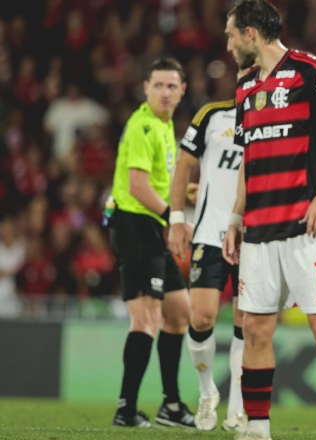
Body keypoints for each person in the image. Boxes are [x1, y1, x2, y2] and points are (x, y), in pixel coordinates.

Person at [220, 1, 316, 439]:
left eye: (230, 35)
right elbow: (248, 157)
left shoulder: (310, 71)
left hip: (308, 229)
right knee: (256, 329)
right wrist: (236, 217)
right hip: (259, 232)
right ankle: (258, 428)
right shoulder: (244, 85)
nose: (227, 45)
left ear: (250, 33)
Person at [108, 57, 196, 428]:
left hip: (151, 226)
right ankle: (126, 410)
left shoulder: (165, 124)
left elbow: (157, 182)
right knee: (145, 319)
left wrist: (184, 192)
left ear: (182, 91)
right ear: (145, 88)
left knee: (178, 313)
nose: (164, 92)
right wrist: (174, 218)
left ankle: (171, 405)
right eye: (157, 85)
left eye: (171, 86)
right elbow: (137, 187)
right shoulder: (144, 125)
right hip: (134, 226)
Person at [168, 68, 255, 432]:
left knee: (245, 323)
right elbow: (185, 164)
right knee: (201, 317)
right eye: (244, 73)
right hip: (208, 233)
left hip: (254, 236)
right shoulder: (211, 115)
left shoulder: (277, 119)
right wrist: (176, 218)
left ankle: (237, 408)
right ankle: (207, 394)